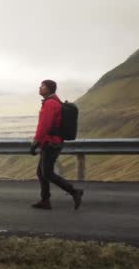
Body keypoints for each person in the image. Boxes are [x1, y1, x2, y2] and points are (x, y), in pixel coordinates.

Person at [30, 79, 83, 210]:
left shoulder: (50, 104)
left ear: (48, 89)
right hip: (52, 141)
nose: (40, 88)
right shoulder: (54, 102)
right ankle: (45, 200)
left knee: (47, 173)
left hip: (50, 143)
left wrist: (36, 142)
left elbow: (45, 125)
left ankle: (74, 192)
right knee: (41, 172)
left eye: (42, 86)